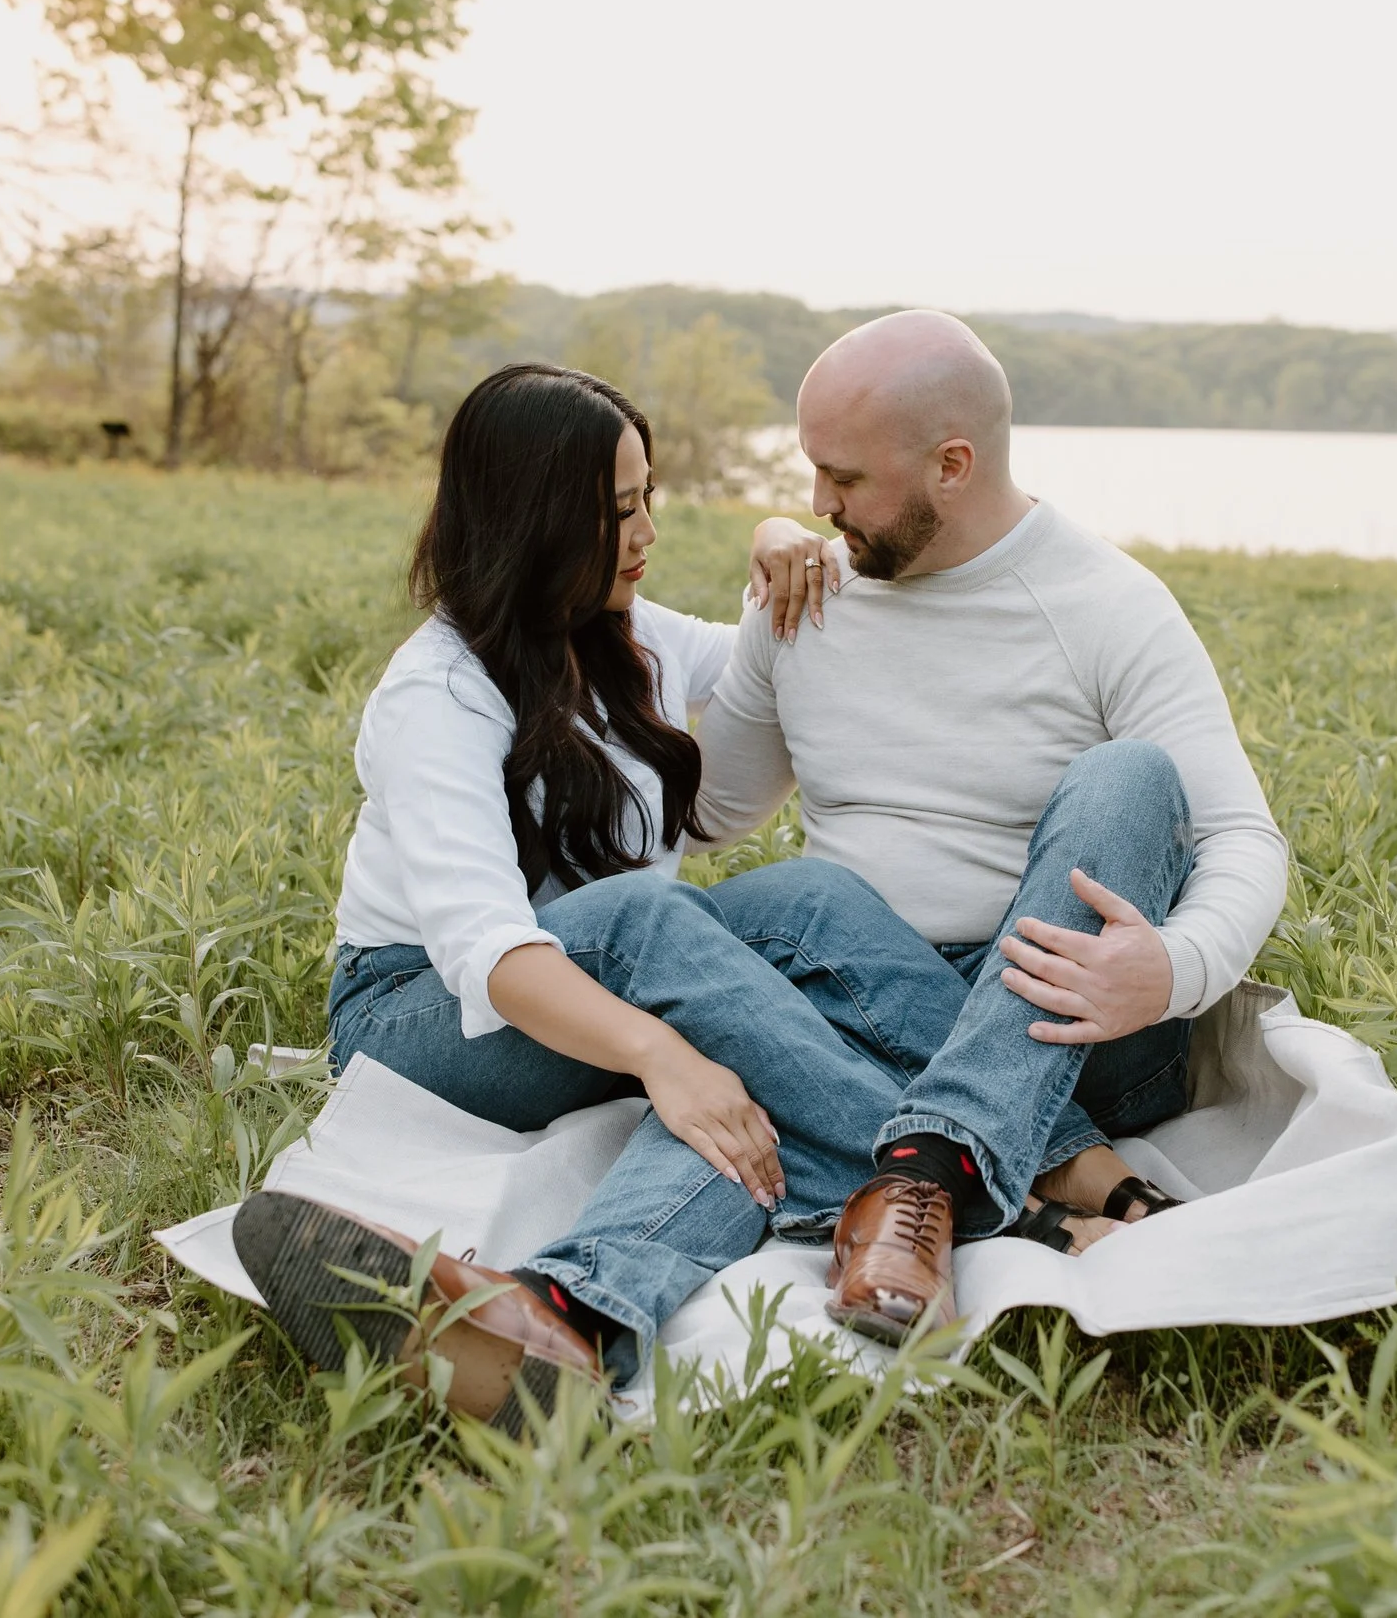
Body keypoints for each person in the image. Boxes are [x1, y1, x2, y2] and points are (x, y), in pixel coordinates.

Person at [233, 363, 922, 1427]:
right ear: (533, 518)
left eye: (649, 496)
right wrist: (660, 1052)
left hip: (593, 986)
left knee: (805, 908)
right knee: (670, 974)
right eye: (617, 510)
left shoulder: (625, 635)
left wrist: (787, 541)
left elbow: (770, 660)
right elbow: (489, 953)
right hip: (420, 1015)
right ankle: (953, 1181)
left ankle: (572, 1316)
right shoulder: (441, 690)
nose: (647, 529)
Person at [691, 311, 1290, 1344]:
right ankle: (1042, 1197)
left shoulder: (1107, 604)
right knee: (796, 903)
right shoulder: (804, 594)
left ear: (952, 464)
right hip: (848, 1000)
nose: (818, 506)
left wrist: (1175, 966)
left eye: (844, 478)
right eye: (810, 475)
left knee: (1131, 776)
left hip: (1067, 1024)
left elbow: (1243, 838)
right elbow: (707, 811)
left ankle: (930, 1172)